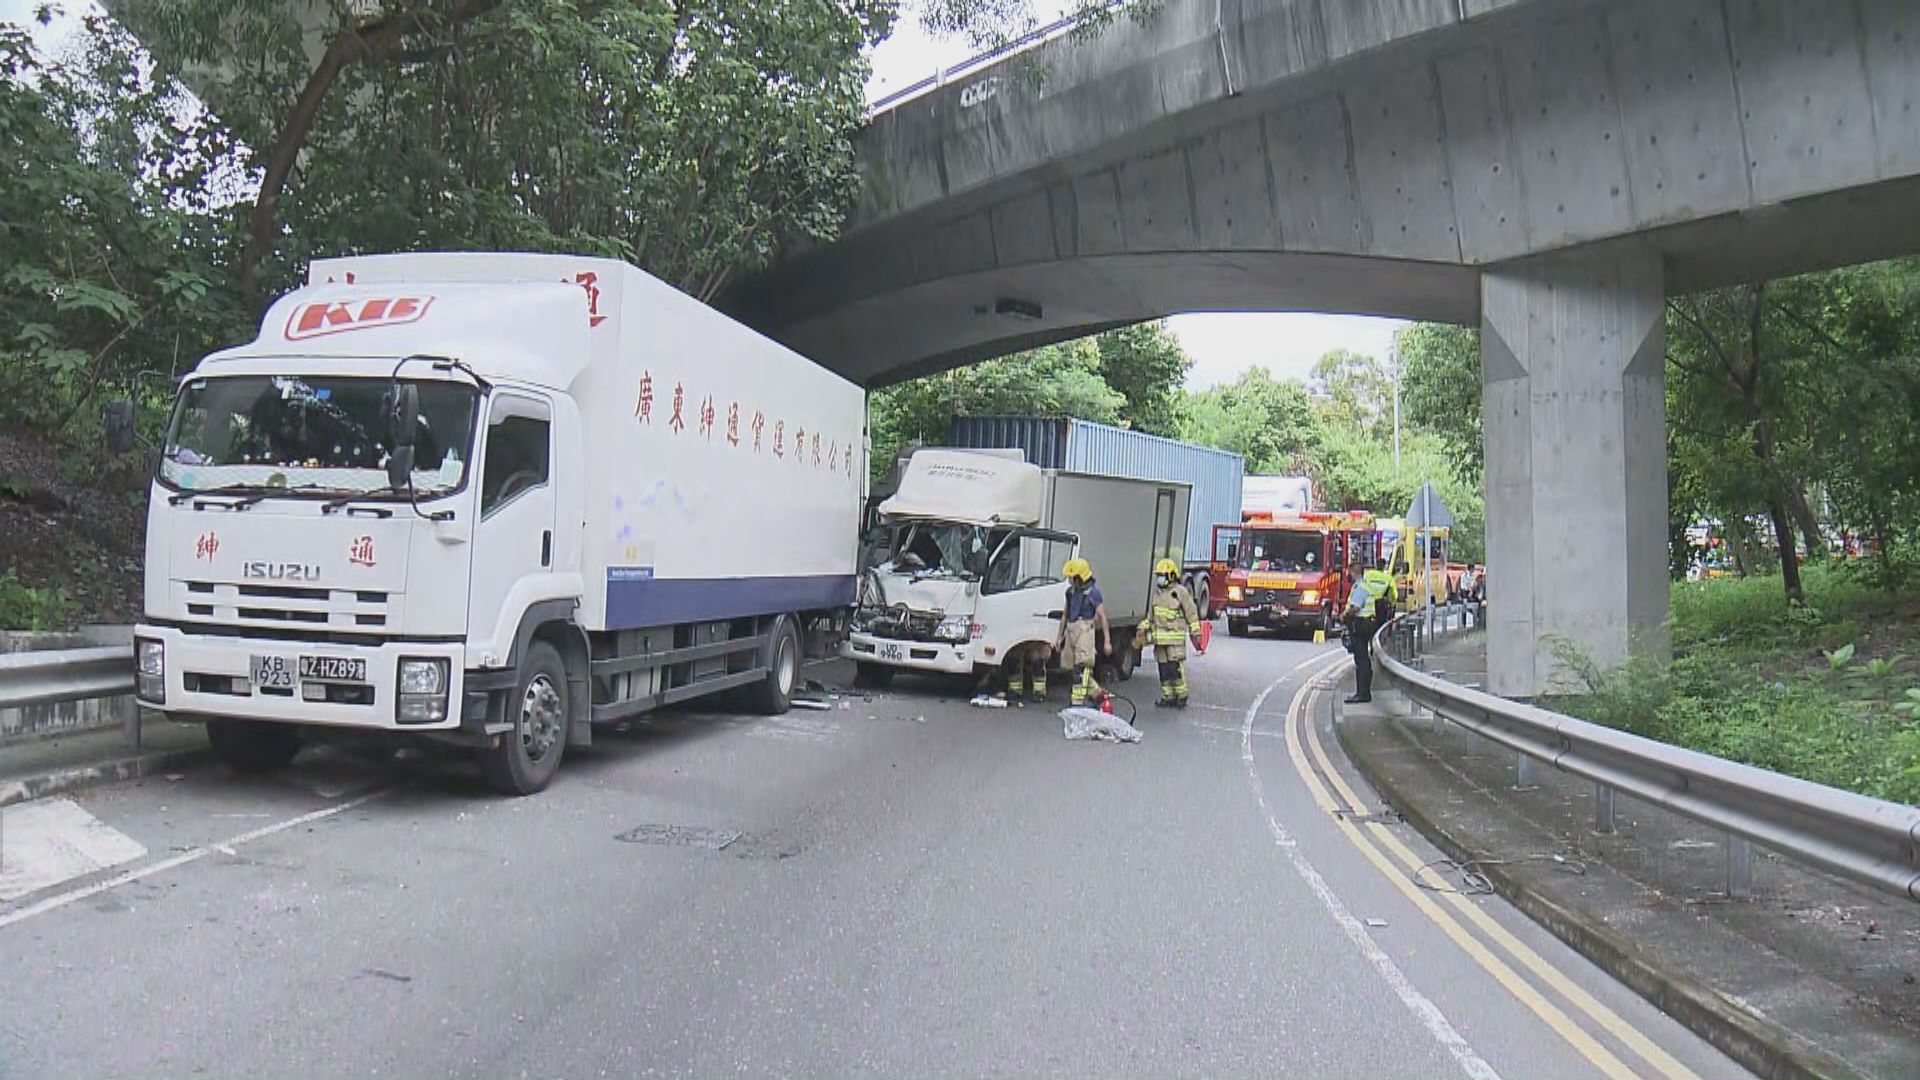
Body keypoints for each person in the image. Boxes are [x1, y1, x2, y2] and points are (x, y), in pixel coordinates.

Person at [1137, 558, 1203, 708]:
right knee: (1164, 671)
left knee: (1175, 669)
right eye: (1159, 575)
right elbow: (1151, 617)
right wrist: (1142, 627)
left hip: (1174, 641)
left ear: (1172, 575)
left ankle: (1182, 696)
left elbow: (1191, 614)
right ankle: (1168, 696)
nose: (1160, 578)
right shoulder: (1157, 594)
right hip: (1160, 641)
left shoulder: (1181, 592)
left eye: (1162, 575)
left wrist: (1196, 632)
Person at [1055, 558, 1111, 707]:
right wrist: (1059, 637)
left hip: (1085, 631)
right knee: (1072, 667)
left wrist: (1107, 641)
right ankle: (1098, 694)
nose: (1073, 580)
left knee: (1082, 667)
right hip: (1071, 630)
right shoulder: (1070, 592)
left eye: (1075, 577)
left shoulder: (1093, 593)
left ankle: (1077, 701)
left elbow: (1102, 616)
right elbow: (1065, 615)